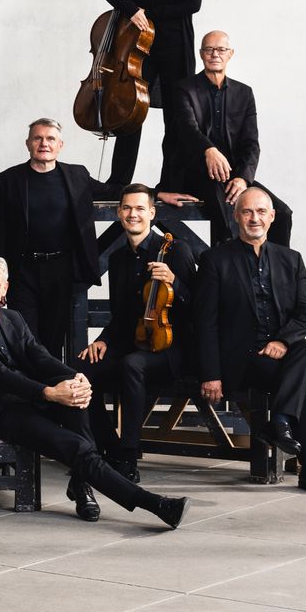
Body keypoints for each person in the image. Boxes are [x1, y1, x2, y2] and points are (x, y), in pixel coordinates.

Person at [0, 254, 188, 527]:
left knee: (76, 397)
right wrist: (50, 393)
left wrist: (75, 378)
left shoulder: (12, 318)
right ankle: (153, 504)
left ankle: (81, 483)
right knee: (77, 446)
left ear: (5, 288)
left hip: (24, 401)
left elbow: (38, 355)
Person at [190, 188, 306, 495]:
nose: (254, 218)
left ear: (272, 217)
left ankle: (284, 426)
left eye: (261, 212)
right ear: (236, 217)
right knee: (298, 380)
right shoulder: (215, 260)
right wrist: (211, 374)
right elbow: (205, 322)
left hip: (279, 353)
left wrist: (282, 342)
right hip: (241, 359)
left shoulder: (291, 260)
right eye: (247, 212)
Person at [79, 185, 199, 482]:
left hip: (173, 349)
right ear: (119, 213)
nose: (133, 214)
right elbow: (120, 316)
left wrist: (175, 282)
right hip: (135, 342)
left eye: (140, 208)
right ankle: (109, 448)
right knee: (81, 370)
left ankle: (128, 457)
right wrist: (103, 340)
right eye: (127, 208)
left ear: (152, 213)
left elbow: (200, 308)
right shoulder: (118, 259)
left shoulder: (176, 251)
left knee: (132, 365)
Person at [98, 0, 202, 192]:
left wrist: (150, 13)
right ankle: (118, 181)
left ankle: (172, 182)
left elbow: (193, 3)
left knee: (176, 117)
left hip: (176, 47)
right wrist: (132, 10)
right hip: (139, 47)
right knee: (131, 113)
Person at [159, 31, 293, 246]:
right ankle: (228, 263)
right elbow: (188, 130)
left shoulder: (244, 93)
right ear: (201, 54)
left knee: (282, 214)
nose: (215, 54)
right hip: (193, 173)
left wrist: (243, 179)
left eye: (221, 49)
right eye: (209, 49)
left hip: (231, 177)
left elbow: (251, 144)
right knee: (226, 216)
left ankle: (274, 265)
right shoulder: (183, 89)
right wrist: (209, 150)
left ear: (230, 54)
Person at [0, 118, 100, 359]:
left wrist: (157, 193)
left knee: (53, 341)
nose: (44, 144)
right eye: (37, 138)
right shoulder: (8, 179)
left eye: (50, 139)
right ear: (28, 143)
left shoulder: (77, 175)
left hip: (62, 269)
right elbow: (0, 230)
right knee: (24, 339)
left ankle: (53, 384)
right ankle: (30, 384)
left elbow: (111, 191)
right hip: (22, 270)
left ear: (60, 145)